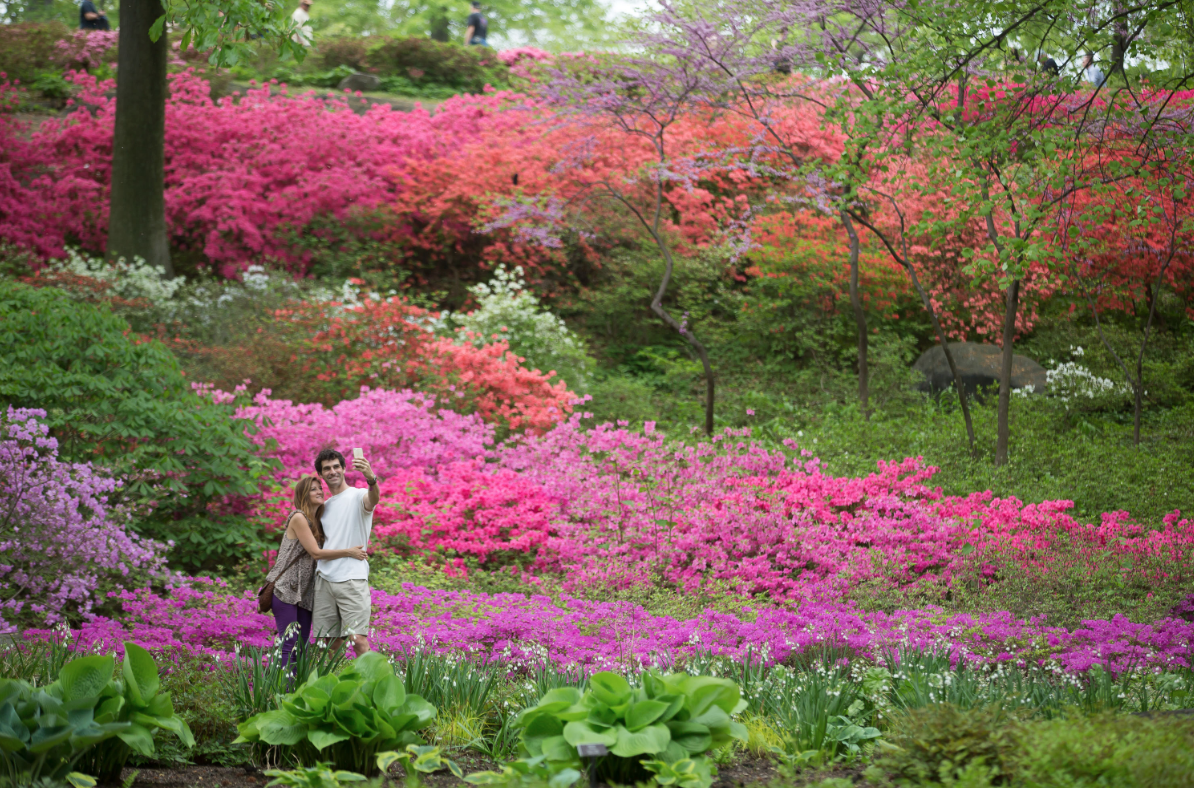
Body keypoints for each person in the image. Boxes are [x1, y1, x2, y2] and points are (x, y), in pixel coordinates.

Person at [264, 476, 367, 668]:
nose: (320, 491)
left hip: (305, 591)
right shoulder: (298, 517)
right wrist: (350, 552)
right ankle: (284, 693)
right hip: (286, 588)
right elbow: (316, 553)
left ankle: (299, 692)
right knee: (289, 643)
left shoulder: (317, 521)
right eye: (313, 489)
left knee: (302, 646)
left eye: (320, 487)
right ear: (304, 494)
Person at [312, 448, 380, 656]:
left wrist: (371, 479)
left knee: (357, 639)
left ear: (343, 469)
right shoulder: (324, 507)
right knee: (327, 642)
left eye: (335, 467)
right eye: (327, 469)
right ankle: (340, 685)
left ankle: (372, 685)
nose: (332, 471)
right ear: (321, 475)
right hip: (324, 580)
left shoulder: (358, 495)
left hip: (352, 578)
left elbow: (373, 499)